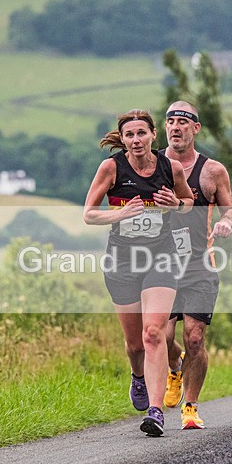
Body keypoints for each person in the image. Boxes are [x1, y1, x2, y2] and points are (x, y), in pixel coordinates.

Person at [83, 108, 194, 437]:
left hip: (161, 257)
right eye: (129, 135)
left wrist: (174, 204)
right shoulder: (111, 168)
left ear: (152, 135)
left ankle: (156, 411)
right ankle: (137, 376)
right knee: (134, 345)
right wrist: (117, 215)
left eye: (141, 133)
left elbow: (189, 201)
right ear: (123, 139)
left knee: (153, 334)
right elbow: (89, 214)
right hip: (122, 262)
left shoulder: (169, 167)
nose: (135, 140)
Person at [161, 101, 232, 430]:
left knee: (194, 339)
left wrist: (226, 224)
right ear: (163, 128)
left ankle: (190, 407)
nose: (175, 127)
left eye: (182, 122)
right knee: (162, 337)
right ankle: (175, 368)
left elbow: (230, 211)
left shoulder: (212, 171)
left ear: (196, 128)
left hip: (199, 265)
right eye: (170, 121)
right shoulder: (152, 165)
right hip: (159, 263)